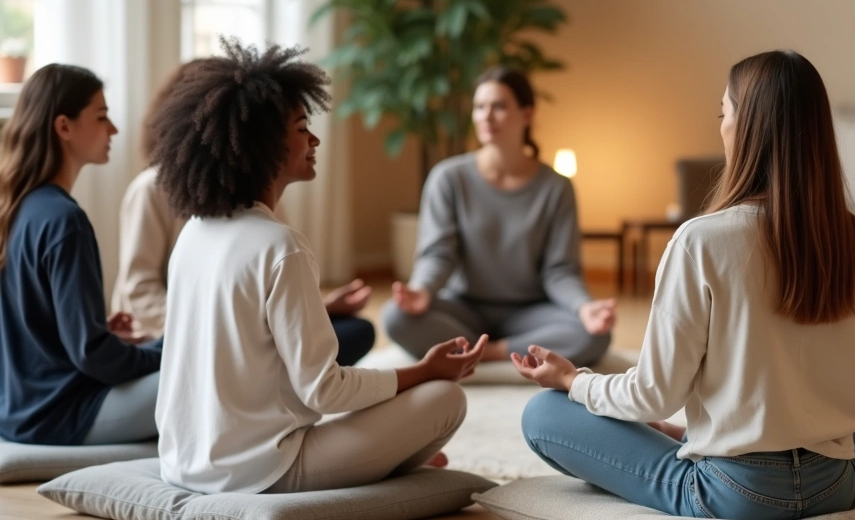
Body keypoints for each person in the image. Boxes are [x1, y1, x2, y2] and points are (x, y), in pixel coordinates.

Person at [513, 51, 855, 520]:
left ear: (749, 127)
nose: (722, 126)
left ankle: (705, 443)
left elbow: (654, 395)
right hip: (833, 485)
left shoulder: (700, 240)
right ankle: (707, 436)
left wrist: (573, 380)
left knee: (543, 414)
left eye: (724, 112)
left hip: (736, 493)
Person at [150, 38, 487, 494]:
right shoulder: (279, 245)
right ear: (264, 144)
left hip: (182, 462)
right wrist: (425, 371)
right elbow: (325, 392)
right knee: (444, 398)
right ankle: (396, 459)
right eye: (301, 126)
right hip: (264, 472)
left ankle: (392, 457)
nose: (314, 140)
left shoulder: (195, 230)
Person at [111, 59, 375, 364]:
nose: (313, 140)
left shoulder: (256, 187)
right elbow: (139, 289)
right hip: (175, 335)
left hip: (240, 330)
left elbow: (262, 288)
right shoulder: (150, 190)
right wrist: (205, 334)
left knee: (354, 331)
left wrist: (320, 307)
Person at [0, 64, 162, 446]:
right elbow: (93, 357)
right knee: (203, 370)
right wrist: (164, 351)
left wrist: (98, 329)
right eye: (102, 116)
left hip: (10, 409)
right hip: (58, 415)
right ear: (64, 127)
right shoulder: (66, 221)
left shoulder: (17, 207)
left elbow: (44, 330)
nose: (113, 130)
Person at [382, 67, 614, 369]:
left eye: (499, 106)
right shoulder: (448, 178)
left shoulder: (557, 187)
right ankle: (499, 349)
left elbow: (560, 270)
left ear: (527, 114)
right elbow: (438, 254)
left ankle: (486, 352)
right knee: (395, 317)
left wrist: (585, 308)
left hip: (531, 313)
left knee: (594, 335)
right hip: (463, 308)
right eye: (479, 107)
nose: (485, 116)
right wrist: (422, 290)